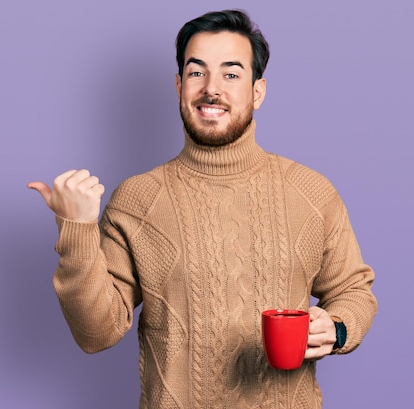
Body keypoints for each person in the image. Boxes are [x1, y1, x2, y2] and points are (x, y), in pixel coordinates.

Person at [28, 9, 377, 408]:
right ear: (179, 85)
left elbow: (354, 291)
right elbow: (96, 333)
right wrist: (77, 230)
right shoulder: (138, 200)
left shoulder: (312, 192)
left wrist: (338, 329)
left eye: (231, 74)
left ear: (257, 91)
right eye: (197, 73)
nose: (212, 88)